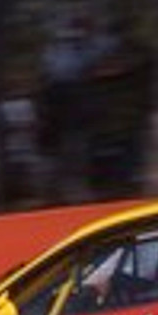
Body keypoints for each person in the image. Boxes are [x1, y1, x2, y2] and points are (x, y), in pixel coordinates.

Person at [38, 16, 116, 203]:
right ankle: (66, 188)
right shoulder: (73, 48)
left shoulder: (61, 48)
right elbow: (106, 47)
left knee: (75, 145)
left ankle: (69, 188)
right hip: (66, 99)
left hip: (68, 100)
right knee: (71, 146)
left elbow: (107, 47)